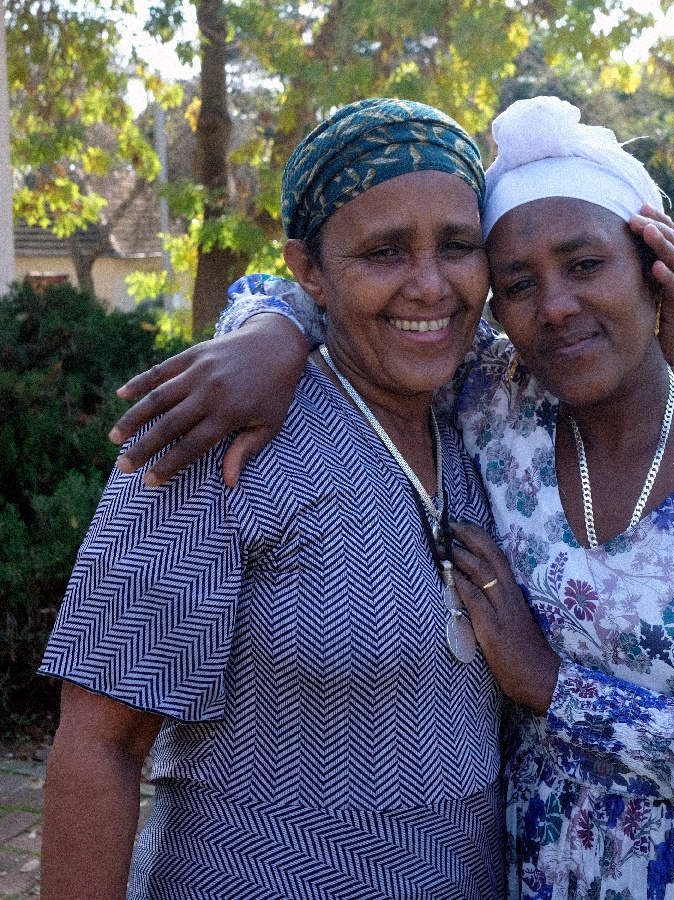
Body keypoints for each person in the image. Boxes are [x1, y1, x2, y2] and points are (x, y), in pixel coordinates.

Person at [107, 96, 674, 900]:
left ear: (654, 265)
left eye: (585, 265)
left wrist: (554, 690)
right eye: (517, 282)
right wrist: (269, 334)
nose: (557, 305)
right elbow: (354, 295)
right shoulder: (499, 405)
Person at [40, 97, 516, 900]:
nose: (430, 285)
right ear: (309, 271)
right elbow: (100, 747)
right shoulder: (218, 433)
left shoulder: (484, 414)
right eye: (384, 251)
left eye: (458, 246)